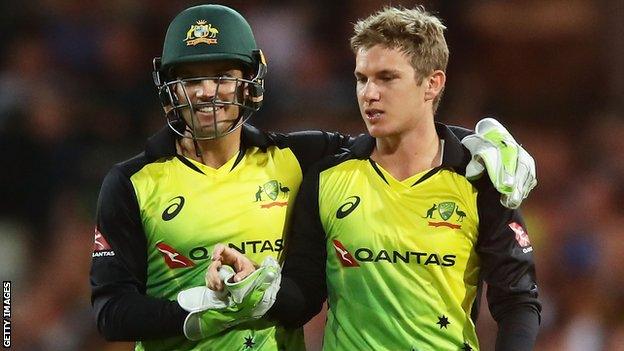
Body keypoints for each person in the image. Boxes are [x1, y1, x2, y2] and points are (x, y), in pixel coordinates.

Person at [90, 4, 537, 351]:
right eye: (191, 79)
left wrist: (477, 140)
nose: (208, 92)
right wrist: (191, 312)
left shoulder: (298, 159)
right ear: (171, 87)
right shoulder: (131, 182)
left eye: (223, 76)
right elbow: (109, 312)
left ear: (249, 81)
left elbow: (400, 138)